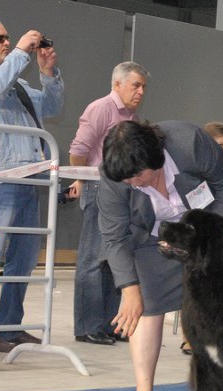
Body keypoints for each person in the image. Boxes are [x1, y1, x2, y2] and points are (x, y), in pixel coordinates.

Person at [97, 120, 223, 391]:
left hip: (202, 228)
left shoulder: (191, 144)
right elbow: (114, 236)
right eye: (127, 180)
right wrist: (129, 288)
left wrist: (208, 234)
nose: (134, 182)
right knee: (145, 308)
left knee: (221, 314)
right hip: (151, 240)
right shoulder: (115, 177)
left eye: (139, 175)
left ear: (157, 158)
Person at [0, 17, 64, 353]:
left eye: (8, 38)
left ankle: (7, 327)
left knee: (23, 261)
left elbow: (52, 106)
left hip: (30, 180)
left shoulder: (17, 86)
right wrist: (21, 51)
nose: (7, 43)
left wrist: (48, 73)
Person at [67, 61, 149, 347]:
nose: (140, 91)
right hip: (98, 186)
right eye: (135, 85)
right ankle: (87, 326)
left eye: (143, 87)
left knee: (114, 258)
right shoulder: (101, 108)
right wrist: (83, 179)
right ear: (117, 84)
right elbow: (78, 150)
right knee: (92, 259)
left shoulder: (133, 118)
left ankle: (111, 325)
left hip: (121, 191)